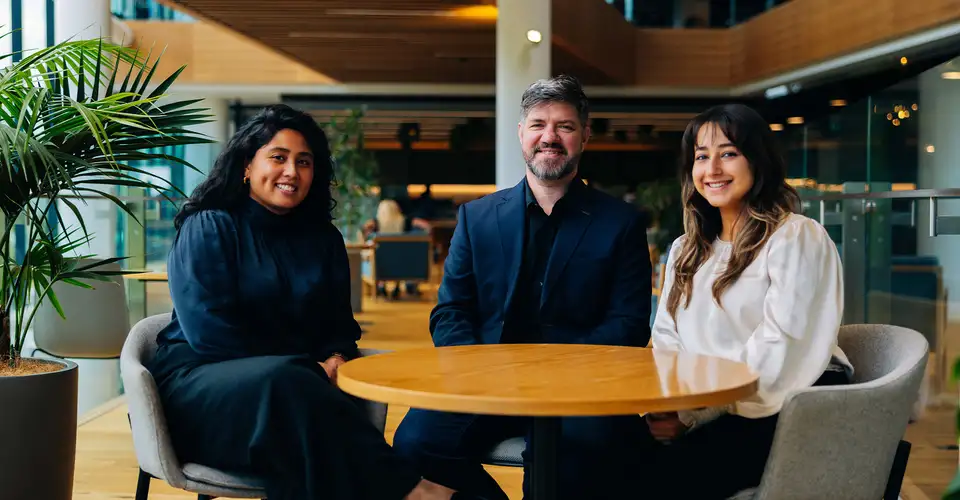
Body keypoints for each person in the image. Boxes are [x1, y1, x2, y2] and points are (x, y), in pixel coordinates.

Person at [147, 104, 469, 500]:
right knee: (287, 383)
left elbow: (338, 327)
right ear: (247, 166)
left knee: (297, 401)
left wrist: (335, 354)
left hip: (292, 397)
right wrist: (308, 368)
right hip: (201, 389)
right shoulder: (210, 225)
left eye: (304, 162)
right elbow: (209, 333)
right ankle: (414, 491)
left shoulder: (323, 240)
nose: (291, 172)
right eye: (278, 158)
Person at [392, 75, 653, 500]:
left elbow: (628, 324)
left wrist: (557, 373)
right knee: (414, 441)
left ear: (585, 136)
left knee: (583, 456)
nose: (549, 137)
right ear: (521, 134)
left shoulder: (621, 223)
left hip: (578, 390)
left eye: (564, 126)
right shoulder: (476, 218)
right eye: (538, 125)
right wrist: (479, 369)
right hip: (485, 382)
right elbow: (450, 312)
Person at [645, 103, 853, 499]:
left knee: (656, 478)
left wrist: (693, 415)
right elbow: (666, 339)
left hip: (786, 406)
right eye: (701, 157)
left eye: (728, 153)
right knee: (601, 452)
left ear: (757, 160)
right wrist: (669, 409)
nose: (713, 169)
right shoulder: (686, 248)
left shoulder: (796, 238)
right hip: (711, 408)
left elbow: (779, 348)